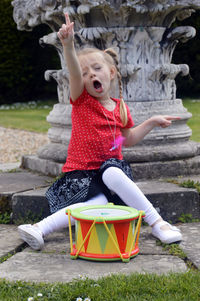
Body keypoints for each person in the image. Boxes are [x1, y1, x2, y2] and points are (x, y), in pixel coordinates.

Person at [18, 13, 182, 250]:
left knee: (111, 171)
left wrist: (152, 122)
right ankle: (38, 229)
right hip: (83, 177)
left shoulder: (120, 108)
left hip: (110, 175)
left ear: (112, 73)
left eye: (97, 68)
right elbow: (73, 72)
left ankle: (158, 223)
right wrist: (68, 45)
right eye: (86, 74)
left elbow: (128, 139)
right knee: (98, 203)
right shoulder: (81, 100)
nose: (91, 74)